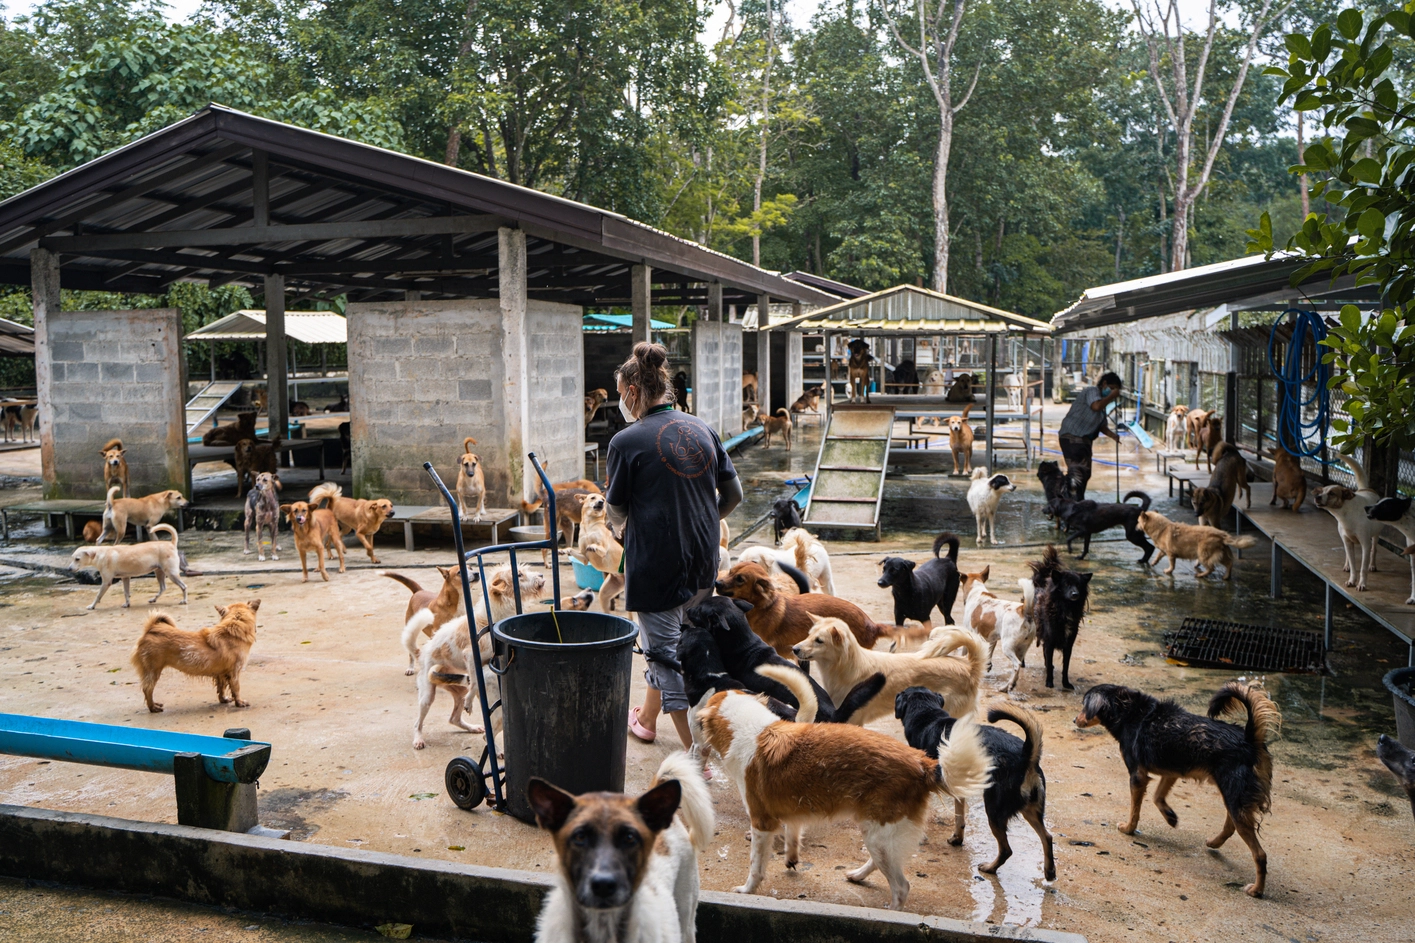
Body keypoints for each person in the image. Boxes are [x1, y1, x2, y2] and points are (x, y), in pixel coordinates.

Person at [605, 343, 743, 753]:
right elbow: (732, 495)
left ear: (632, 391)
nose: (620, 401)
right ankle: (646, 720)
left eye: (619, 392)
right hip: (704, 557)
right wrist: (699, 520)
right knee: (684, 644)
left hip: (656, 565)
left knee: (665, 658)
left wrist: (623, 530)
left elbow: (615, 507)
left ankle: (699, 760)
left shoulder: (626, 441)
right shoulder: (702, 428)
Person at [1057, 371, 1122, 499]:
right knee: (1078, 474)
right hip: (1072, 436)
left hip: (1083, 440)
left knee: (1085, 473)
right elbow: (1095, 407)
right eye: (1112, 388)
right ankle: (1068, 501)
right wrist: (1111, 397)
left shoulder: (1103, 406)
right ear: (1104, 384)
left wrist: (1113, 436)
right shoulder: (1092, 392)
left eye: (1115, 390)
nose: (1113, 392)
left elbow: (1102, 426)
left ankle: (1074, 500)